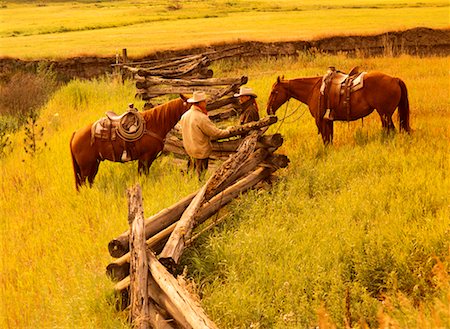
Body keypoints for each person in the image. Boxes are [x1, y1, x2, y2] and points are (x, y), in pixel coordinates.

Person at [180, 91, 231, 179]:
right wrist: (228, 131)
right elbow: (215, 132)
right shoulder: (201, 117)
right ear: (199, 103)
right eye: (204, 101)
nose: (205, 103)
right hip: (201, 152)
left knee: (191, 174)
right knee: (200, 176)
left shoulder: (185, 115)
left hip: (190, 151)